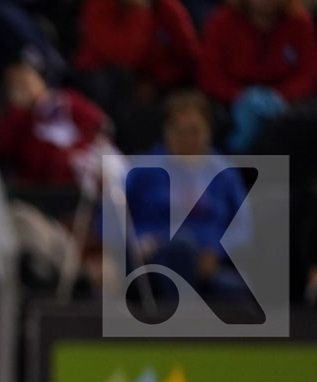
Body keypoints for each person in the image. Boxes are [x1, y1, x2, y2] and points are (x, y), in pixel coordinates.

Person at [124, 89, 253, 302]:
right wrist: (140, 242)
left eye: (194, 131)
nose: (188, 139)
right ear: (167, 131)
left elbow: (243, 226)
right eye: (180, 131)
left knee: (238, 291)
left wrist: (216, 251)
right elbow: (116, 217)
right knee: (181, 245)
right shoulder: (142, 169)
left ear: (208, 132)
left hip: (207, 266)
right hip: (152, 261)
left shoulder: (223, 172)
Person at [73, 0, 200, 152]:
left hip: (157, 83)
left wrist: (156, 81)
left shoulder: (169, 8)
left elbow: (189, 56)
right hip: (107, 81)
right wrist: (140, 12)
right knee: (117, 84)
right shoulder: (98, 6)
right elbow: (121, 55)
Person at [199, 0, 317, 152]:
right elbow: (209, 73)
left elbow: (308, 73)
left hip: (286, 101)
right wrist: (239, 97)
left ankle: (281, 174)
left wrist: (281, 96)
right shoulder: (222, 20)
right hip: (230, 99)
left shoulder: (299, 21)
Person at [0, 56, 115, 188]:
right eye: (17, 86)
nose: (25, 88)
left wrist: (83, 153)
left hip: (98, 163)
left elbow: (102, 124)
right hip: (59, 192)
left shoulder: (66, 100)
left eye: (27, 80)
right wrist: (16, 110)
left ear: (39, 79)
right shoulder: (20, 124)